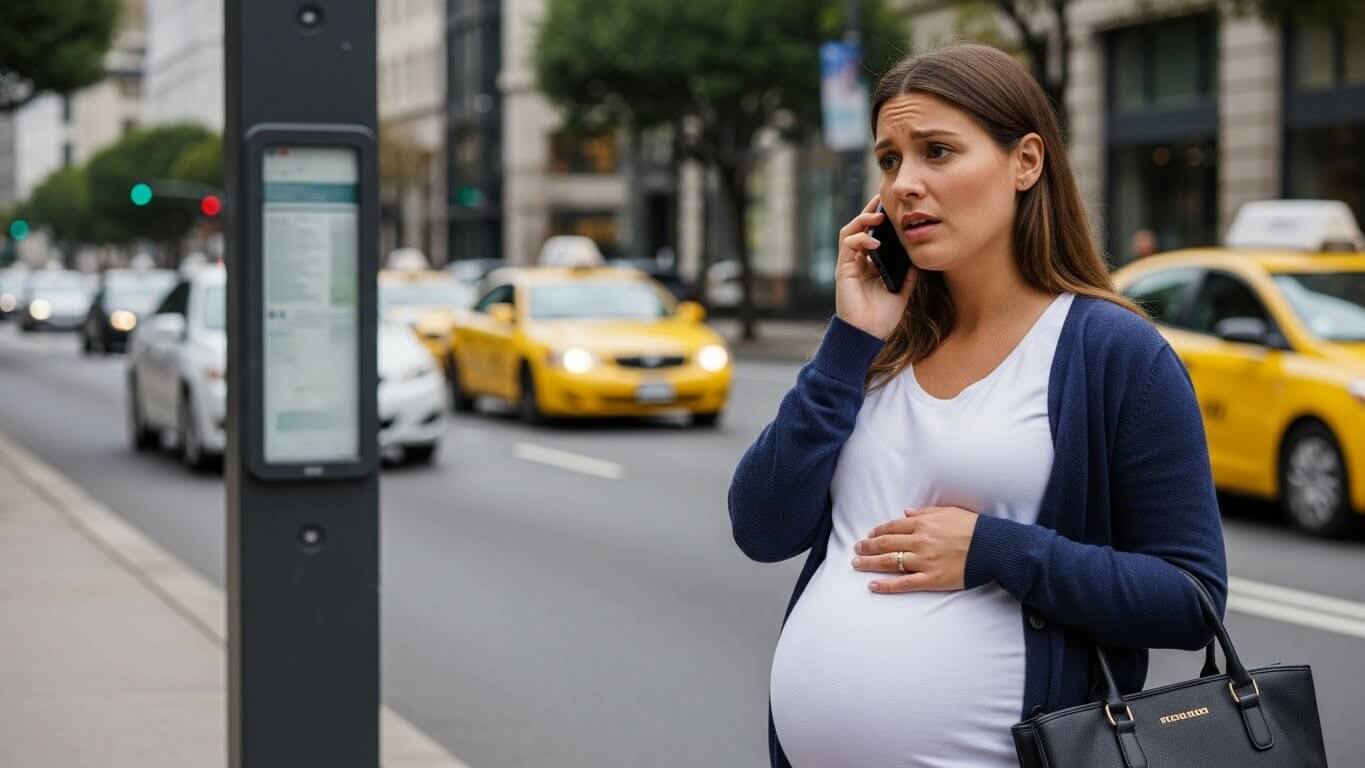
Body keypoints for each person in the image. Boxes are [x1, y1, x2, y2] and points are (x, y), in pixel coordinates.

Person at [728, 44, 1227, 768]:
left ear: (1025, 162)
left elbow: (1190, 600)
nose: (905, 184)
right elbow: (760, 526)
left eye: (937, 151)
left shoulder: (1111, 352)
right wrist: (848, 340)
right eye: (890, 160)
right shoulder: (876, 347)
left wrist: (995, 550)